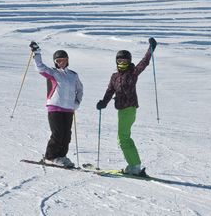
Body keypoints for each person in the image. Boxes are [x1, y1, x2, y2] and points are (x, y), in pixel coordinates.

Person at [96, 37, 157, 175]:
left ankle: (135, 166)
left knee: (123, 138)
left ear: (129, 62)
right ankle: (134, 164)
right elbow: (110, 91)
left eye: (125, 61)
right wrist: (103, 103)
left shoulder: (133, 72)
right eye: (119, 61)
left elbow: (144, 62)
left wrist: (151, 49)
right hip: (121, 110)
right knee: (123, 137)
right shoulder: (114, 76)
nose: (122, 63)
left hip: (129, 108)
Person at [29, 41, 83, 168]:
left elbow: (80, 89)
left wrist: (77, 102)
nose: (61, 63)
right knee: (57, 133)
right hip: (55, 107)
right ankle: (50, 157)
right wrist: (37, 53)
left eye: (63, 60)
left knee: (66, 135)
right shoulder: (52, 73)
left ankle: (61, 156)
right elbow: (39, 67)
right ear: (55, 62)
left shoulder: (73, 75)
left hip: (69, 109)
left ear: (67, 60)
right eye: (58, 61)